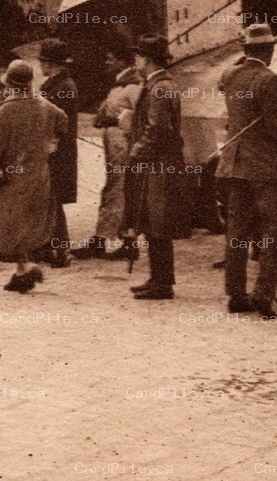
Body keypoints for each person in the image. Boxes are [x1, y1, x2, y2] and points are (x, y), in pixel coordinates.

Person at [216, 23, 277, 319]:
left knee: (237, 232)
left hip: (234, 165)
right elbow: (276, 128)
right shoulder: (271, 80)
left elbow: (224, 84)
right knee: (273, 230)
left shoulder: (230, 75)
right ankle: (263, 295)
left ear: (246, 49)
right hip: (263, 167)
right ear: (268, 50)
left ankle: (236, 295)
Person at [0, 58, 67, 293]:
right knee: (31, 223)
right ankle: (23, 270)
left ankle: (26, 268)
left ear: (9, 84)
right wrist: (52, 143)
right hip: (39, 173)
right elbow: (63, 121)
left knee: (11, 223)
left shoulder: (6, 109)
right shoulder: (45, 105)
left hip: (12, 175)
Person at [126, 35, 191, 301]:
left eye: (138, 56)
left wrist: (136, 151)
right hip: (158, 164)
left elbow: (158, 129)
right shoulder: (158, 84)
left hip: (160, 166)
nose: (136, 60)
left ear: (147, 59)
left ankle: (163, 283)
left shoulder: (160, 87)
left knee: (158, 223)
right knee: (153, 222)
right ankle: (158, 278)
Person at [87, 42, 143, 258]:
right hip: (114, 144)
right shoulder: (119, 86)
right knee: (115, 187)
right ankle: (109, 238)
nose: (106, 63)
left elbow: (140, 118)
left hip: (123, 145)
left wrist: (114, 119)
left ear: (121, 61)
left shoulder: (133, 86)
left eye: (110, 59)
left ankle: (120, 240)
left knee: (119, 189)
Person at [37, 39, 79, 269]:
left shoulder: (64, 87)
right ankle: (49, 246)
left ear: (51, 63)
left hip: (56, 150)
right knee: (48, 198)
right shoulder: (57, 84)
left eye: (43, 61)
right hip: (55, 149)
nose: (40, 65)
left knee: (52, 198)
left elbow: (57, 122)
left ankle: (60, 249)